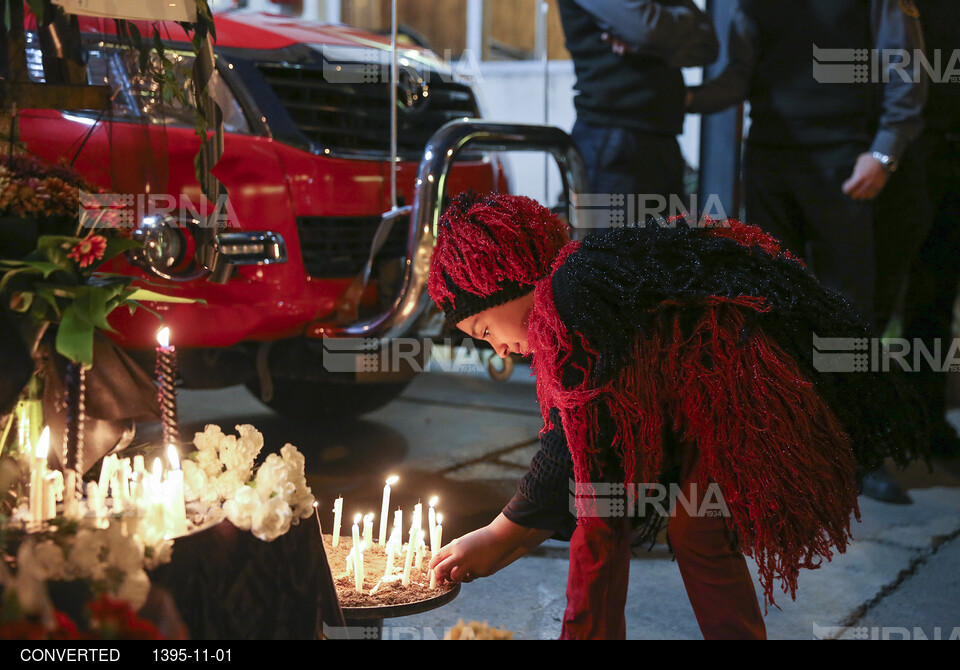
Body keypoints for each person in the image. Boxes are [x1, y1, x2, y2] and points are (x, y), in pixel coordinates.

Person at [426, 191, 925, 639]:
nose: (501, 350)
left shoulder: (572, 292)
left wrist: (499, 534)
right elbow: (581, 437)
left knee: (656, 521)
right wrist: (508, 535)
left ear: (503, 283)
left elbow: (571, 449)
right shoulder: (573, 285)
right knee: (659, 519)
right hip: (707, 393)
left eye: (487, 330)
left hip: (751, 387)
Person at [686, 0, 928, 503]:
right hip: (770, 161)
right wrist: (671, 97)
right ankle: (785, 453)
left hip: (843, 159)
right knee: (773, 313)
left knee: (849, 316)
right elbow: (736, 76)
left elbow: (904, 61)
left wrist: (886, 149)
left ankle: (860, 453)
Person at [556, 0, 719, 219]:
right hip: (612, 141)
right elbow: (646, 29)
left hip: (661, 138)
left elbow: (707, 43)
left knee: (667, 251)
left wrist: (648, 38)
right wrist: (663, 32)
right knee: (610, 252)